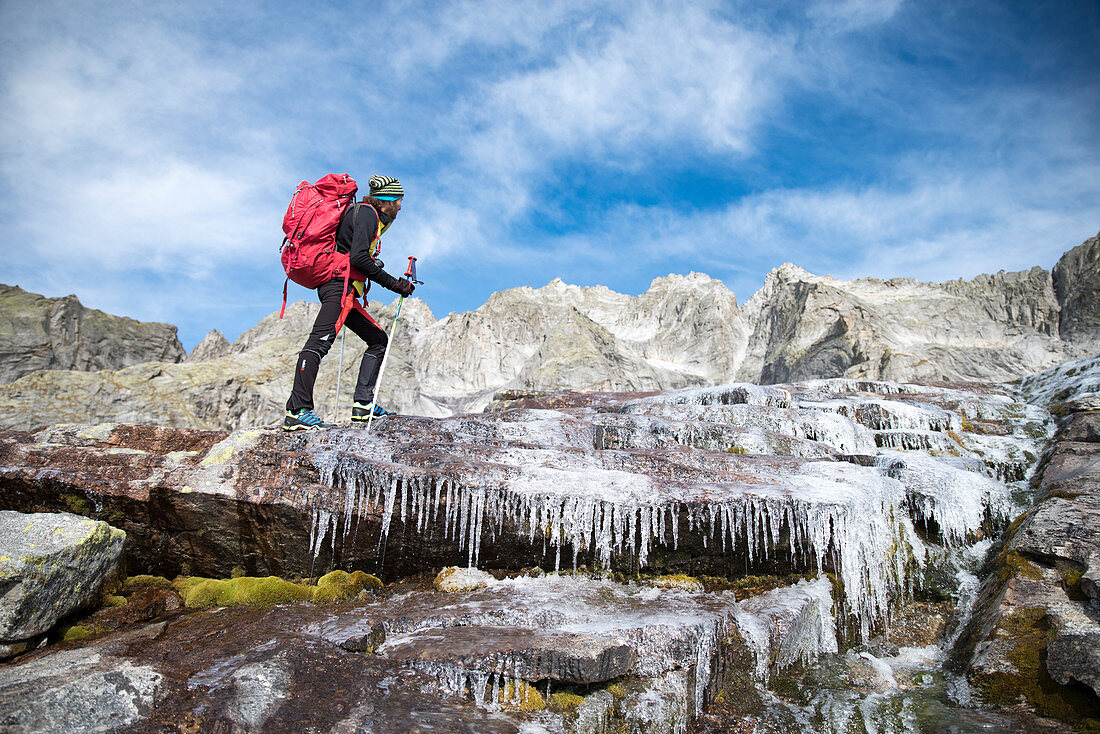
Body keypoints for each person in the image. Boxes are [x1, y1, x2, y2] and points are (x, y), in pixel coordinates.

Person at [283, 174, 415, 431]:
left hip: (344, 289)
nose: (400, 206)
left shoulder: (365, 214)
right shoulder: (367, 213)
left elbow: (354, 254)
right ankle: (297, 411)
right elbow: (358, 259)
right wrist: (394, 283)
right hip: (338, 286)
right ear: (387, 200)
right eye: (398, 200)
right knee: (318, 343)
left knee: (378, 340)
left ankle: (364, 406)